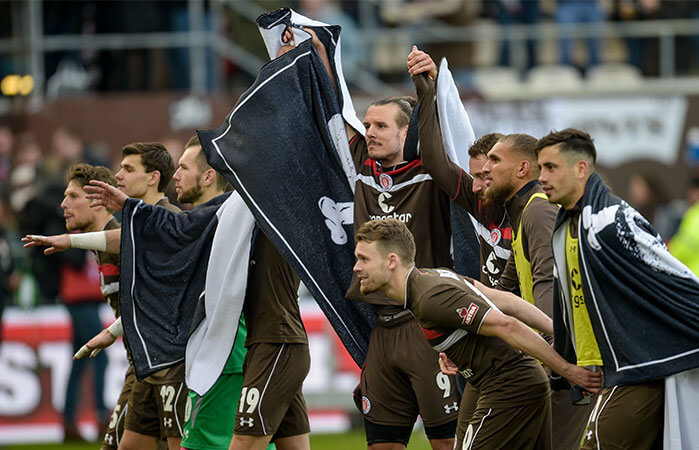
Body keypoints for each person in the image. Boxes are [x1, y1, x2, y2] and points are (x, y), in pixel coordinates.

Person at [280, 29, 461, 449]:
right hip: (381, 330)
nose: (371, 131)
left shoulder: (432, 174)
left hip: (428, 326)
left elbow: (438, 134)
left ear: (406, 133)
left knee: (448, 444)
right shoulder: (362, 165)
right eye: (369, 125)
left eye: (381, 125)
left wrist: (428, 88)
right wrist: (317, 54)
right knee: (380, 442)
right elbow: (331, 114)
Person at [352, 218, 602, 449]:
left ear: (392, 261)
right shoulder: (433, 277)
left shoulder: (429, 297)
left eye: (364, 259)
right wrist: (452, 348)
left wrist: (567, 369)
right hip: (519, 384)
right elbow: (506, 301)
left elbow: (507, 324)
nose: (356, 268)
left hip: (509, 387)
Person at [536, 128, 699, 449]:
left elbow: (679, 279)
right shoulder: (568, 225)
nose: (542, 177)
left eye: (551, 167)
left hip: (641, 368)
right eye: (541, 167)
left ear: (581, 169)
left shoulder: (611, 220)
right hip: (611, 371)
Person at [25, 142, 181, 450]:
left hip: (161, 364)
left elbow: (154, 303)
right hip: (143, 363)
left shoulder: (129, 240)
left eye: (72, 196)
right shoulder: (106, 246)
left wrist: (109, 334)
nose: (63, 205)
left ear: (96, 201)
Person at [481, 132, 595, 449]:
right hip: (547, 355)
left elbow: (552, 282)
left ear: (522, 169)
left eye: (495, 160)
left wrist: (554, 357)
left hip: (563, 358)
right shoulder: (524, 213)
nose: (486, 169)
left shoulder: (537, 210)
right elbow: (504, 290)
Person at [57, 164, 116, 442]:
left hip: (83, 300)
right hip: (79, 300)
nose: (64, 204)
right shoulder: (73, 232)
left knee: (78, 362)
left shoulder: (97, 234)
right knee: (99, 356)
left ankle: (69, 422)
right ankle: (101, 416)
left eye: (72, 196)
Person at [668, 176, 699, 275]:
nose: (689, 195)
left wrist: (669, 252)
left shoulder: (695, 214)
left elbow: (687, 244)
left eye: (692, 191)